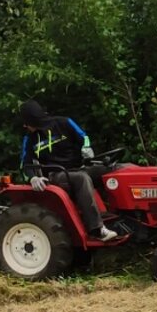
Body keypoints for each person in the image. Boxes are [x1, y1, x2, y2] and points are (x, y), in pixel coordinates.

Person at [18, 100, 119, 241]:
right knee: (81, 178)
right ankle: (97, 229)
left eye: (26, 122)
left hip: (80, 167)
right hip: (56, 175)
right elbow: (25, 164)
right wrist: (33, 178)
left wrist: (86, 147)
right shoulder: (30, 139)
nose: (25, 126)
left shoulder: (64, 123)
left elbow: (84, 137)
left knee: (118, 169)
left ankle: (127, 217)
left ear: (32, 119)